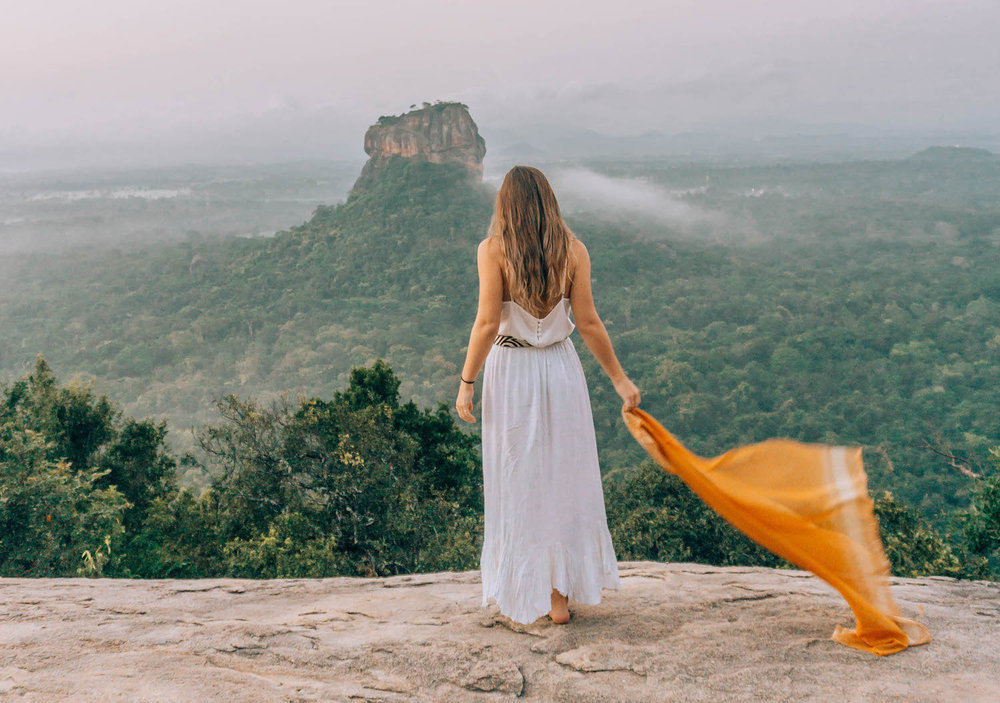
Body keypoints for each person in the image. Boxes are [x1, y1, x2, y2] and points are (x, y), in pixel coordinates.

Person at [456, 165, 641, 625]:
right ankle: (559, 595)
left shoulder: (492, 250)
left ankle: (524, 589)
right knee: (563, 477)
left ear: (507, 206)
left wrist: (466, 381)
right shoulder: (573, 251)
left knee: (518, 477)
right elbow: (590, 322)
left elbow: (484, 323)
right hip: (560, 367)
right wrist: (619, 380)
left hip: (511, 370)